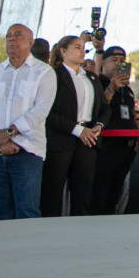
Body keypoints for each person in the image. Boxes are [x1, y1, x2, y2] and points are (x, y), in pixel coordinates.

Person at [0, 23, 57, 220]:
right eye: (9, 35)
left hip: (26, 151)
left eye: (18, 35)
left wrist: (8, 133)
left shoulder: (44, 72)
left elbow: (41, 109)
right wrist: (0, 141)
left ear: (31, 42)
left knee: (27, 212)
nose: (12, 39)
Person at [41, 34, 110, 217]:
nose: (82, 52)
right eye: (77, 47)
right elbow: (47, 112)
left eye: (83, 48)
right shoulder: (53, 76)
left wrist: (99, 126)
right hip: (60, 141)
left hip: (88, 142)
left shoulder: (91, 78)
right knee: (52, 193)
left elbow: (104, 108)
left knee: (83, 194)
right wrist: (78, 130)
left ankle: (80, 230)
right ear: (63, 52)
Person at [91, 47, 139, 215]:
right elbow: (97, 109)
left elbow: (131, 114)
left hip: (126, 147)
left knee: (116, 193)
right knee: (100, 192)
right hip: (106, 147)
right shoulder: (97, 83)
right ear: (103, 62)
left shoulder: (127, 89)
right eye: (114, 60)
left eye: (122, 61)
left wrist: (137, 138)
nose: (119, 64)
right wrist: (111, 88)